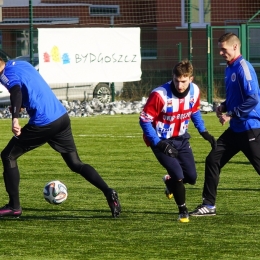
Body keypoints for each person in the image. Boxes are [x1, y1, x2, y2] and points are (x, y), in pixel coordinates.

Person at [0, 58, 121, 218]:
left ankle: (14, 207)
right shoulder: (21, 64)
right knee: (76, 163)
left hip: (44, 122)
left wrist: (15, 117)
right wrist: (23, 105)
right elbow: (30, 87)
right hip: (61, 117)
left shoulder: (4, 74)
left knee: (8, 155)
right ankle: (108, 192)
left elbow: (16, 90)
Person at [190, 32, 260, 216]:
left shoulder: (244, 68)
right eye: (219, 49)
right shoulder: (229, 68)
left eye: (223, 49)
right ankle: (209, 205)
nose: (220, 53)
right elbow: (236, 97)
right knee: (213, 159)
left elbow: (253, 99)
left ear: (235, 47)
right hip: (236, 129)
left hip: (250, 128)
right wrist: (224, 105)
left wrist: (232, 114)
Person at [139, 59, 216, 222]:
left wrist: (204, 132)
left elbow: (194, 111)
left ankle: (170, 182)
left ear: (191, 79)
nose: (180, 85)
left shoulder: (194, 91)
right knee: (178, 175)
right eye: (176, 80)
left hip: (181, 138)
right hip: (160, 140)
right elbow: (144, 120)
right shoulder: (159, 94)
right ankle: (183, 210)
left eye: (183, 81)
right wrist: (159, 143)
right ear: (172, 77)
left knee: (192, 177)